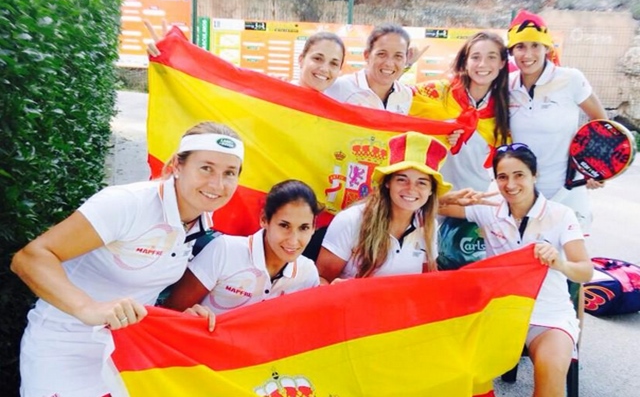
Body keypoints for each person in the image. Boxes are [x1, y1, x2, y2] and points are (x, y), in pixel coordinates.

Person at [10, 121, 243, 397]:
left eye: (229, 173)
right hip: (63, 349)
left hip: (124, 355)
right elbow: (29, 258)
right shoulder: (127, 204)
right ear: (178, 166)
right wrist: (88, 308)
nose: (217, 184)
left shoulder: (201, 219)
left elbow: (142, 291)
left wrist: (179, 321)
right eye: (206, 168)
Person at [440, 143, 594, 397]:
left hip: (549, 315)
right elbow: (425, 204)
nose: (510, 184)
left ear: (535, 175)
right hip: (497, 313)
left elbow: (585, 271)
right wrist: (454, 198)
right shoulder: (488, 209)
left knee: (551, 374)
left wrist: (560, 263)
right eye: (502, 177)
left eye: (519, 175)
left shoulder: (561, 214)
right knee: (456, 373)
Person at [316, 131, 494, 284]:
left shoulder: (428, 224)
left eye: (421, 182)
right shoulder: (352, 220)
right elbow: (321, 279)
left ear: (431, 190)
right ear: (388, 183)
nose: (411, 189)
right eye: (402, 179)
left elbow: (426, 284)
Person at [507, 9, 607, 232]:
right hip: (521, 193)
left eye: (535, 45)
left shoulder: (570, 79)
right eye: (520, 46)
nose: (527, 53)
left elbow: (602, 124)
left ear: (547, 48)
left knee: (567, 262)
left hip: (567, 190)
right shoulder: (506, 85)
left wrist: (596, 168)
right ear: (512, 50)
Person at [164, 179, 322, 314]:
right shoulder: (225, 250)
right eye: (284, 226)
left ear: (314, 227)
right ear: (264, 220)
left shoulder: (307, 274)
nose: (293, 240)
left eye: (304, 228)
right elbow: (171, 311)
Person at [410, 31, 510, 192]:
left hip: (477, 204)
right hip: (432, 201)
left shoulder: (506, 108)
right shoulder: (438, 93)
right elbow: (390, 98)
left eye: (492, 57)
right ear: (465, 62)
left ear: (502, 63)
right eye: (475, 57)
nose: (482, 64)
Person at [324, 23, 413, 114]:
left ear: (406, 58)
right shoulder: (338, 87)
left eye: (398, 56)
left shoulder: (405, 94)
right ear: (367, 55)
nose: (389, 64)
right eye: (381, 54)